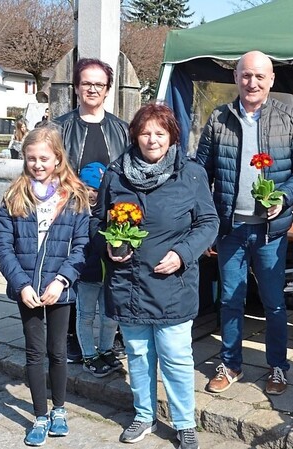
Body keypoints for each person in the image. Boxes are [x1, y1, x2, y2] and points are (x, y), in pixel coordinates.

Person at [91, 103, 218, 448]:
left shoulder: (191, 174)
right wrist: (110, 245)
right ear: (135, 135)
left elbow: (209, 222)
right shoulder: (116, 173)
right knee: (138, 353)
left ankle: (183, 421)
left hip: (171, 284)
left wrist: (182, 254)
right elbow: (98, 221)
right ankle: (143, 415)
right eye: (145, 132)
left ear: (171, 136)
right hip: (128, 283)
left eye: (159, 133)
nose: (152, 139)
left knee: (176, 355)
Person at [196, 50, 293, 396]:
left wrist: (283, 196)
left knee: (274, 302)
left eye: (260, 76)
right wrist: (205, 222)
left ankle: (277, 366)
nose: (252, 82)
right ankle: (230, 363)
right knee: (231, 300)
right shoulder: (219, 118)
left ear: (271, 80)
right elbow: (200, 174)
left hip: (270, 232)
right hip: (231, 228)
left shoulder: (289, 118)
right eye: (246, 75)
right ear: (236, 78)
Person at [0, 125, 91, 446]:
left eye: (44, 158)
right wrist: (20, 284)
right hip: (28, 289)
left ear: (58, 159)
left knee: (58, 351)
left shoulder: (74, 198)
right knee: (35, 353)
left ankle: (59, 409)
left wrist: (63, 280)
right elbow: (2, 244)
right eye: (31, 158)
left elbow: (82, 246)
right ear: (24, 159)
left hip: (59, 288)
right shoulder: (14, 195)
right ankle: (39, 414)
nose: (37, 164)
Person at [55, 58, 129, 364]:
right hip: (71, 213)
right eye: (87, 83)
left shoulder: (122, 130)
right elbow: (48, 172)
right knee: (73, 274)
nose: (92, 89)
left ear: (108, 89)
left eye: (99, 84)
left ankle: (114, 335)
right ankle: (71, 336)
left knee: (113, 273)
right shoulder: (59, 128)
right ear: (76, 87)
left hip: (111, 216)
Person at [76, 161, 122, 378]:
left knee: (109, 316)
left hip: (108, 273)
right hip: (87, 273)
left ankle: (106, 349)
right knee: (85, 316)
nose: (93, 194)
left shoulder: (110, 211)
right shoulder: (75, 212)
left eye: (97, 189)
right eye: (89, 189)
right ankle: (88, 355)